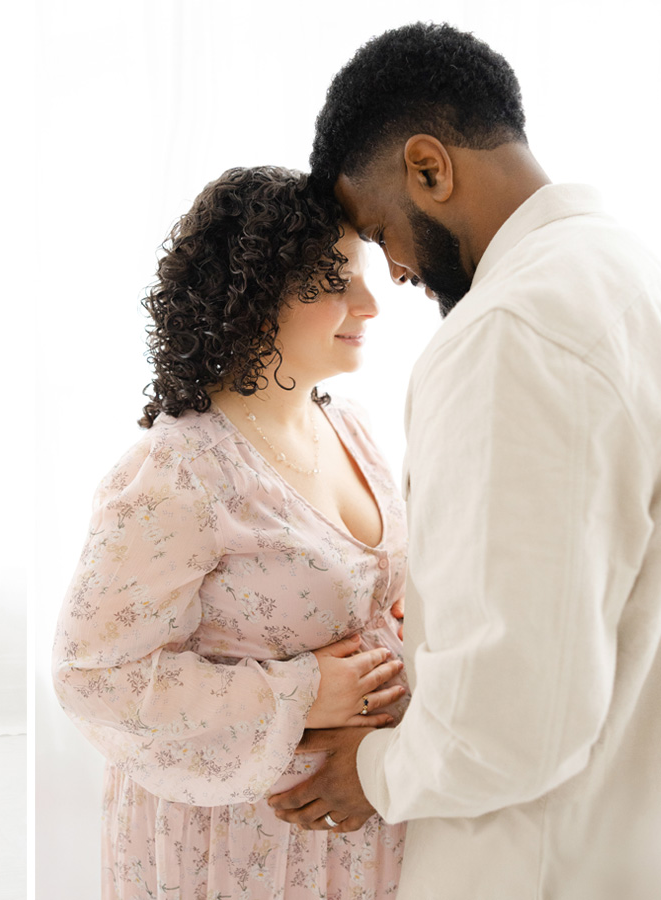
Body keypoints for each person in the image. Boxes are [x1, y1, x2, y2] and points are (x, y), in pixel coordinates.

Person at [266, 23, 661, 897]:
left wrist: (371, 772)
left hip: (532, 862)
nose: (395, 274)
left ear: (429, 168)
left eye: (379, 232)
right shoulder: (629, 275)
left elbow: (518, 722)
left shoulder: (508, 335)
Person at [53, 165, 409, 899]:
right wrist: (303, 691)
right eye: (335, 280)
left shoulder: (353, 431)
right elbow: (91, 676)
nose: (370, 304)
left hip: (362, 822)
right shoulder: (180, 471)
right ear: (254, 294)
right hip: (236, 846)